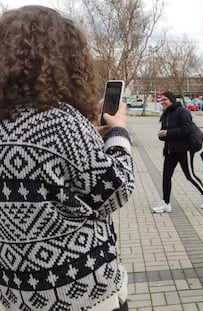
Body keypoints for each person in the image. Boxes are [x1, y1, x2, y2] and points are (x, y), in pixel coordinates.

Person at [0, 5, 134, 311]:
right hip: (80, 291)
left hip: (18, 291)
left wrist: (85, 135)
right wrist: (119, 132)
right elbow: (115, 189)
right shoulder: (61, 122)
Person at [153, 91, 203, 213]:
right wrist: (162, 135)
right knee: (166, 176)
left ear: (172, 100)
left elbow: (187, 129)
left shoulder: (182, 111)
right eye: (161, 100)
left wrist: (168, 133)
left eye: (165, 100)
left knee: (189, 175)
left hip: (185, 149)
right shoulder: (165, 114)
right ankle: (166, 203)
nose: (162, 102)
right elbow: (164, 132)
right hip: (170, 150)